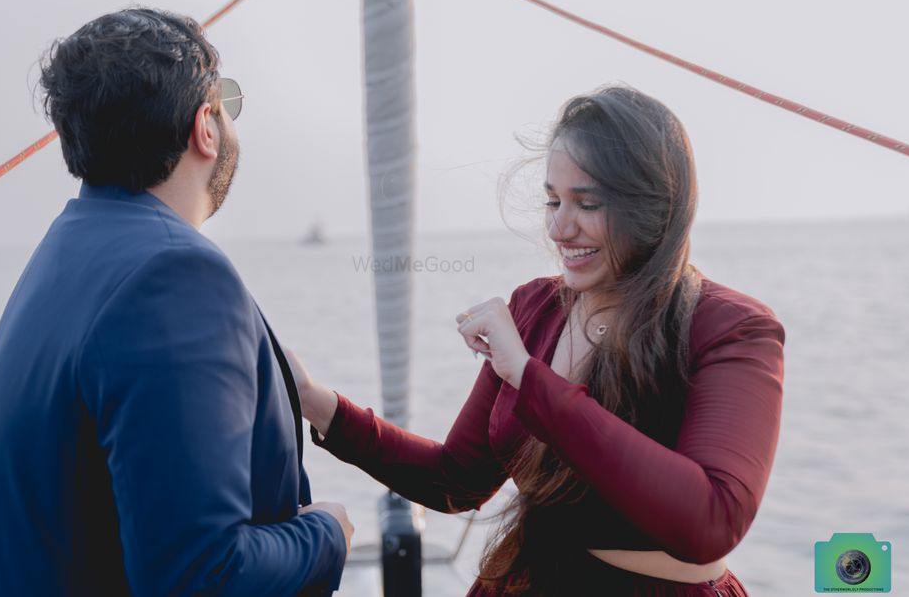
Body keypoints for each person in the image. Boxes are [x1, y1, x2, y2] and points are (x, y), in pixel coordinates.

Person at [289, 86, 784, 595]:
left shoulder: (731, 327)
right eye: (552, 200)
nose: (559, 228)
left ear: (655, 209)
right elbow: (455, 479)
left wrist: (529, 377)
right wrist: (316, 402)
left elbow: (711, 522)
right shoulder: (534, 308)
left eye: (586, 204)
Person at [0, 8, 352, 596]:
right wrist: (327, 532)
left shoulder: (55, 261)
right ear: (205, 126)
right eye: (226, 103)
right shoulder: (176, 274)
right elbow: (202, 574)